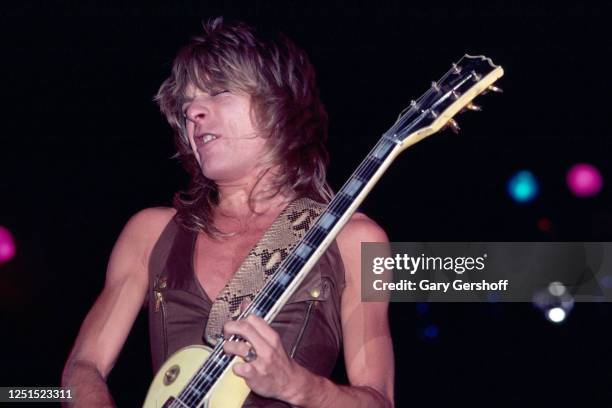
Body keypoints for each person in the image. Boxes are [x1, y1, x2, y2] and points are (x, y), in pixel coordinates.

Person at [62, 17, 394, 407]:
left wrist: (296, 385)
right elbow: (82, 368)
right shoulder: (149, 232)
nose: (193, 113)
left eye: (218, 92)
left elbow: (379, 400)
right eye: (186, 103)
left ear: (278, 104)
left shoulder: (355, 239)